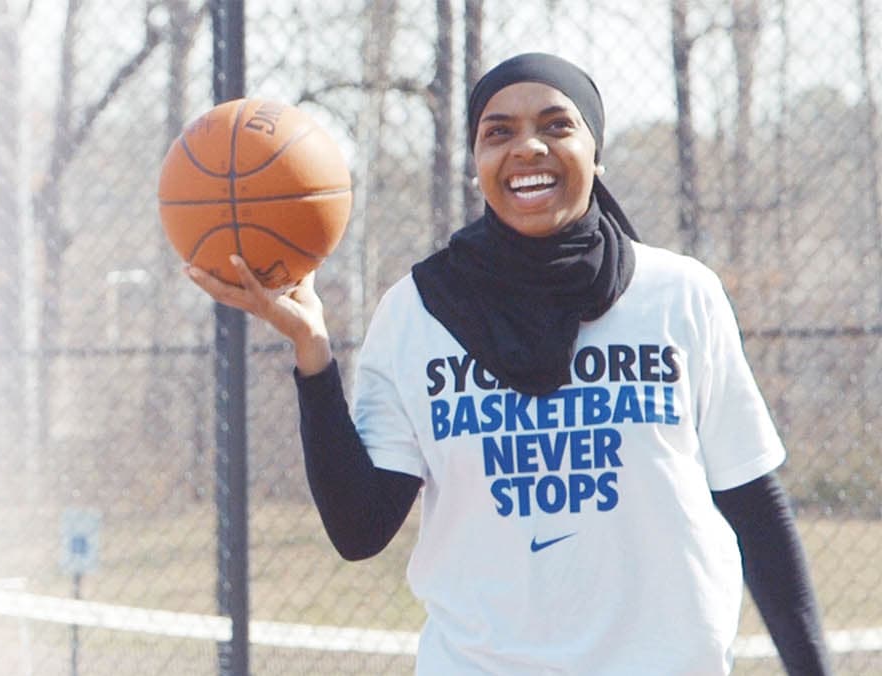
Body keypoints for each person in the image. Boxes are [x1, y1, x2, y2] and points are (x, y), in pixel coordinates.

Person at [184, 53, 830, 674]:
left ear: (595, 151)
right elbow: (360, 530)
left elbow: (754, 506)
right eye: (499, 133)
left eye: (557, 125)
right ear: (477, 164)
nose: (528, 148)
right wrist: (312, 354)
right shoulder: (417, 312)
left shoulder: (679, 295)